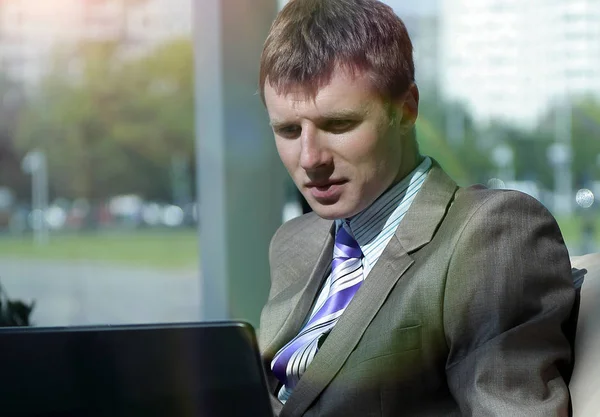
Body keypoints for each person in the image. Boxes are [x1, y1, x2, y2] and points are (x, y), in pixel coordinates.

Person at [257, 1, 576, 416]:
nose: (310, 157)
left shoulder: (489, 235)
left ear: (406, 109)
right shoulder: (293, 241)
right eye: (288, 130)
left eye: (339, 125)